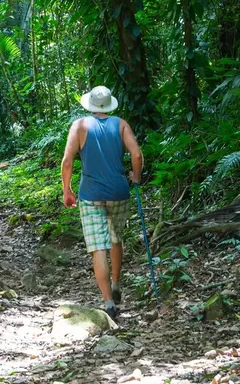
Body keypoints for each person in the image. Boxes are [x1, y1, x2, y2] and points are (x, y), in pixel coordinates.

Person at [61, 85, 142, 320]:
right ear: (109, 104)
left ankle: (108, 303)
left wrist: (67, 190)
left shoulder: (79, 126)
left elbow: (68, 161)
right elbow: (136, 155)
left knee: (99, 247)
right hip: (119, 192)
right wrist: (136, 176)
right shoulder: (121, 124)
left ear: (90, 105)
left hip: (90, 195)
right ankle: (116, 283)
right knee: (116, 238)